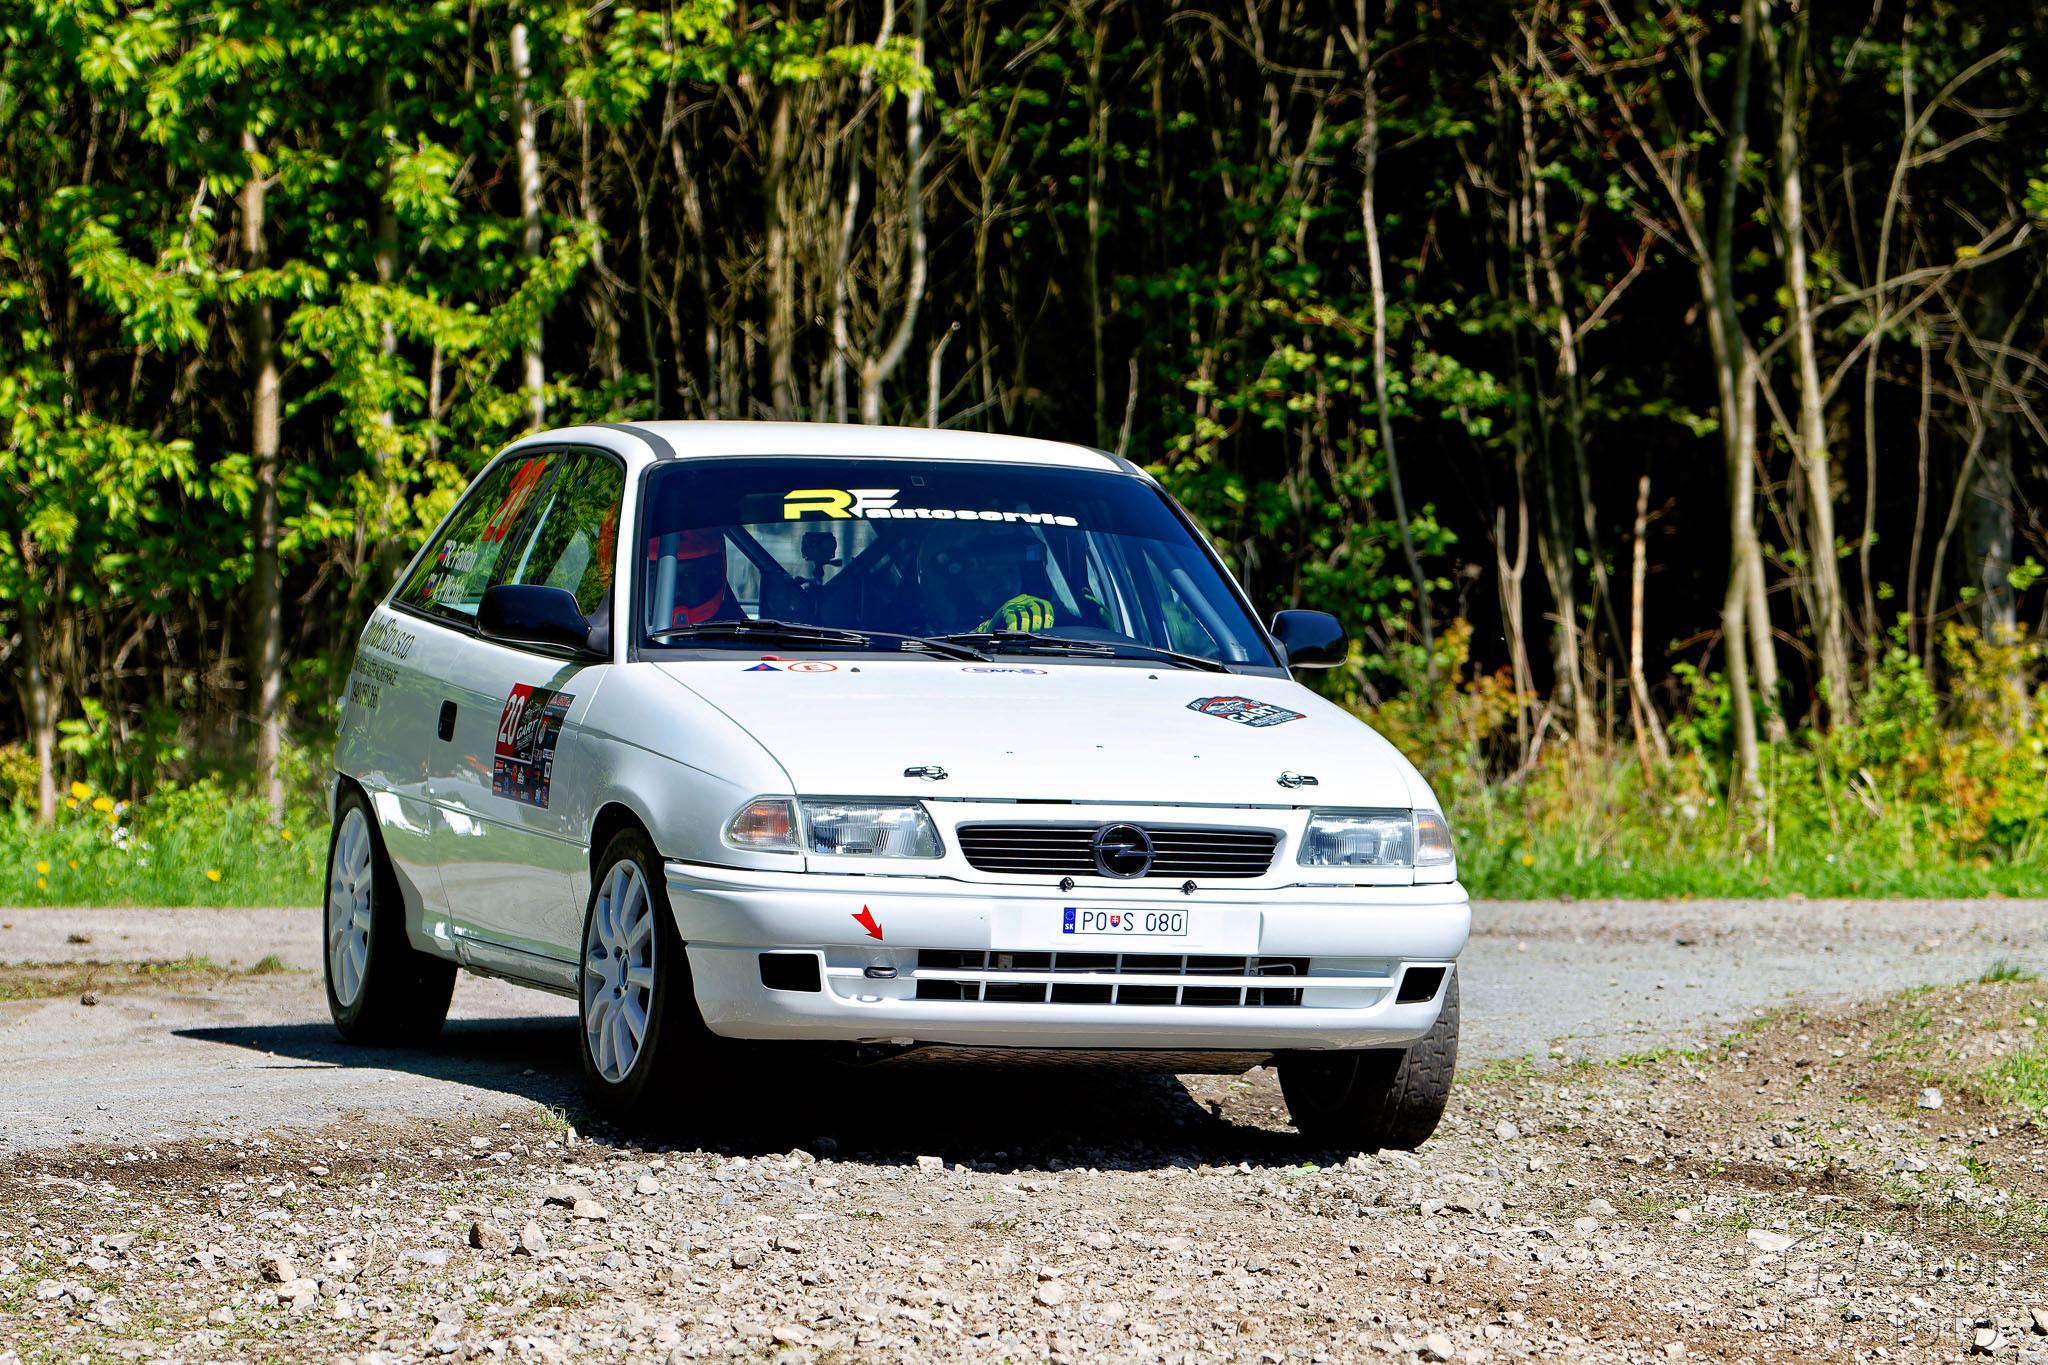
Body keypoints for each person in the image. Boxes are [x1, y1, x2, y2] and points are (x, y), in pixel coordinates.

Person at [914, 522, 1085, 634]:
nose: (1004, 584)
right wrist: (989, 628)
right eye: (988, 579)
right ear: (966, 590)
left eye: (1009, 573)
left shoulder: (1055, 621)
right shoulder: (932, 639)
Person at [650, 527, 743, 628]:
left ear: (704, 580)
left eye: (689, 573)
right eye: (656, 576)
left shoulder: (729, 632)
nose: (677, 591)